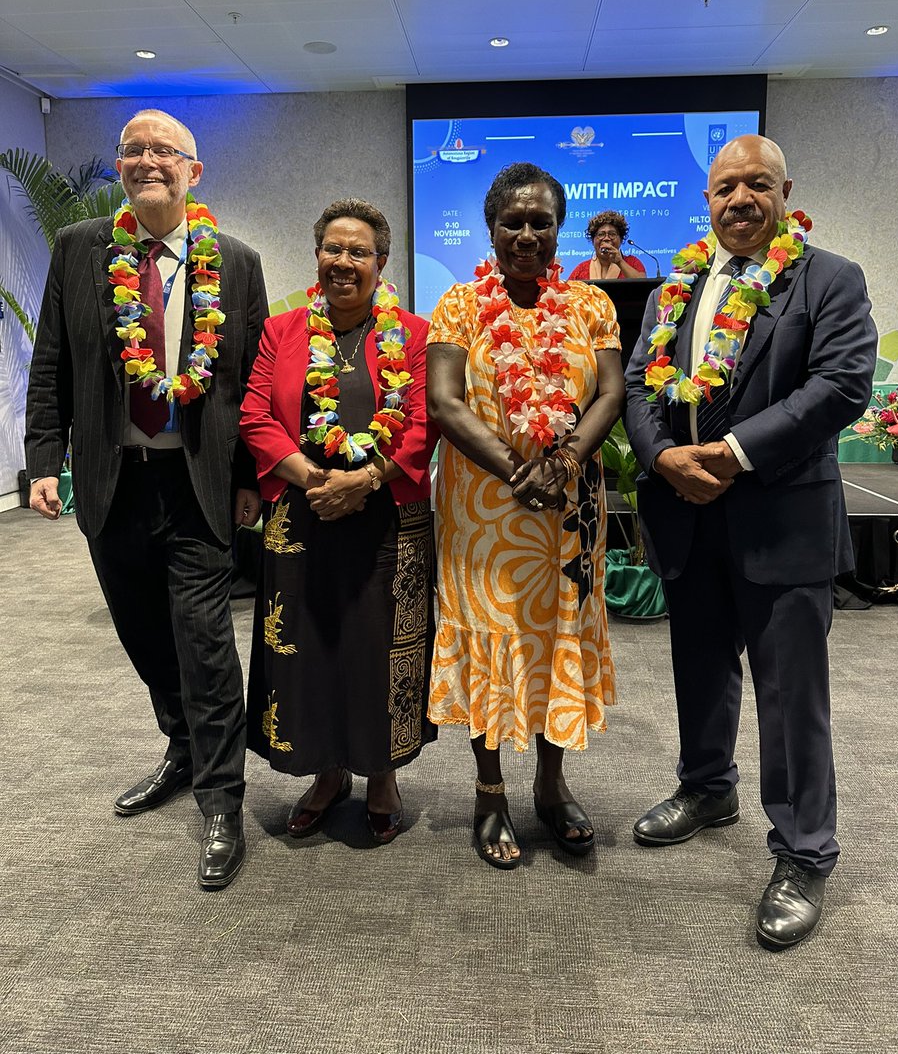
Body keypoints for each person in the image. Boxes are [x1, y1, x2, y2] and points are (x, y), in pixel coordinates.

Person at [623, 134, 877, 949]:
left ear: (784, 190)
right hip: (685, 512)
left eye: (756, 185)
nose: (740, 199)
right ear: (707, 199)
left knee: (789, 693)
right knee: (698, 666)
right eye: (725, 186)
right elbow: (636, 384)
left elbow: (839, 386)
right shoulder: (673, 288)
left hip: (782, 518)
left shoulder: (829, 278)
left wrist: (729, 455)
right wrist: (663, 455)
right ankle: (707, 787)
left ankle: (805, 849)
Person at [25, 108, 267, 891]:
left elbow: (251, 384)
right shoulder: (79, 248)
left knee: (203, 641)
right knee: (141, 634)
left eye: (165, 150)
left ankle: (222, 799)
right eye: (134, 150)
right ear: (122, 167)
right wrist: (39, 461)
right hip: (111, 478)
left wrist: (251, 483)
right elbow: (51, 362)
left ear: (195, 172)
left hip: (196, 481)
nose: (147, 160)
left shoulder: (236, 260)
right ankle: (181, 746)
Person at [426, 162, 625, 869]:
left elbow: (609, 393)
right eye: (514, 221)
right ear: (491, 228)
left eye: (542, 222)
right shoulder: (456, 306)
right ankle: (489, 792)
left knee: (553, 642)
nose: (528, 235)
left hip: (566, 516)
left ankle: (550, 785)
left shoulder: (590, 308)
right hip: (483, 516)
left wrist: (564, 460)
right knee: (490, 640)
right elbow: (445, 403)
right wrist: (518, 468)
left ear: (558, 229)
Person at [239, 199, 438, 845]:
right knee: (308, 647)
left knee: (378, 651)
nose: (343, 262)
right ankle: (324, 773)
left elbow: (421, 423)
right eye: (333, 249)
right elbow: (256, 417)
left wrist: (367, 479)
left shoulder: (414, 333)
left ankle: (381, 775)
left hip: (387, 520)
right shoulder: (283, 330)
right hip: (302, 518)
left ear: (381, 264)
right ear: (317, 257)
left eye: (358, 252)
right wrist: (314, 479)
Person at [568, 210, 646, 281]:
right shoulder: (581, 269)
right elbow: (567, 293)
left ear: (621, 239)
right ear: (593, 240)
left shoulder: (632, 262)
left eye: (612, 234)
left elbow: (643, 286)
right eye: (601, 234)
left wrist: (620, 262)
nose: (606, 238)